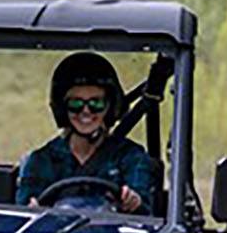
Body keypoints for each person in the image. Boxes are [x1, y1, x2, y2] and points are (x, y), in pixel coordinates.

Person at [18, 52, 156, 214]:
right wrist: (31, 210)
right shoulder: (41, 161)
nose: (86, 112)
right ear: (62, 108)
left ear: (109, 107)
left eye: (96, 103)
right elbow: (23, 211)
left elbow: (146, 213)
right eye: (76, 104)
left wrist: (134, 202)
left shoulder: (131, 158)